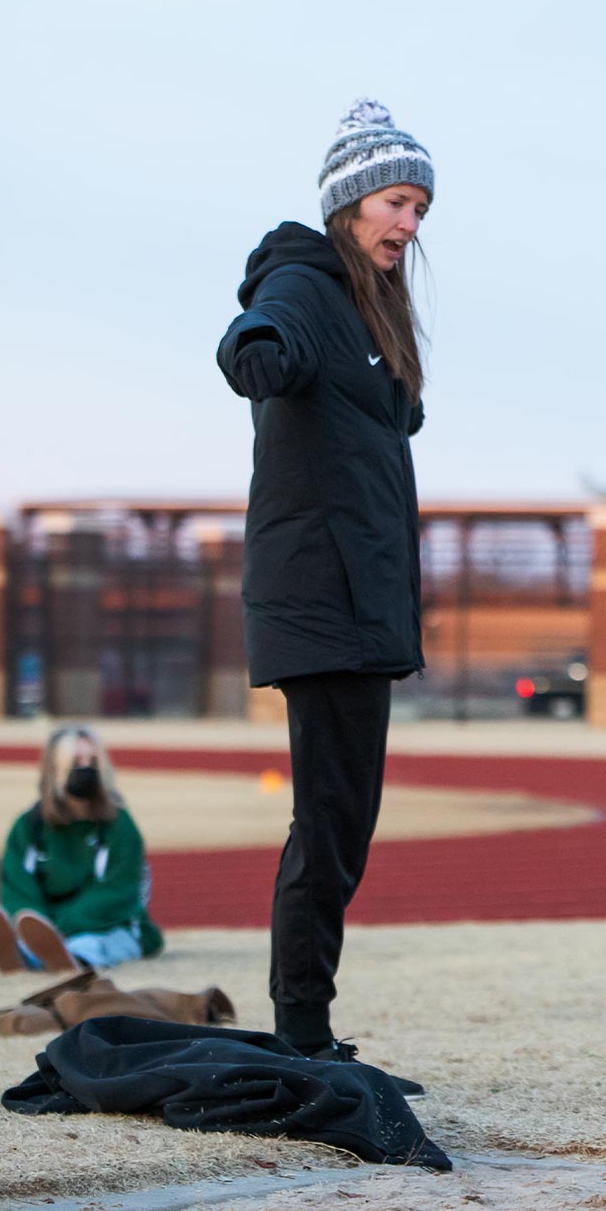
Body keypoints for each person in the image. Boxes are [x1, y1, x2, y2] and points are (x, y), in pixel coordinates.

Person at [215, 98, 433, 1077]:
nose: (409, 223)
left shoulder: (365, 306)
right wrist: (249, 353)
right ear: (350, 202)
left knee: (347, 820)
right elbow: (260, 334)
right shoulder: (305, 285)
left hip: (360, 601)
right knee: (329, 818)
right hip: (321, 597)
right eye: (396, 201)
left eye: (420, 208)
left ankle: (312, 1026)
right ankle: (300, 1030)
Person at [0, 726, 164, 973]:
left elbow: (118, 892)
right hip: (49, 924)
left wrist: (58, 927)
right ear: (54, 770)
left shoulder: (119, 826)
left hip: (113, 925)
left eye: (93, 761)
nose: (86, 768)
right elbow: (17, 888)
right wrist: (37, 924)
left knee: (92, 943)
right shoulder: (29, 827)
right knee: (33, 932)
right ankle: (26, 952)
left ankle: (65, 956)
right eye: (76, 761)